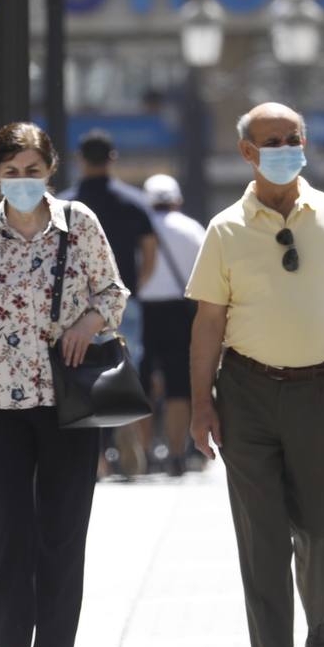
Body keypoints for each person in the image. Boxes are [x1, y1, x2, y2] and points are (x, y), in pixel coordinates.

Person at [187, 103, 324, 647]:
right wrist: (202, 403)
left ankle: (322, 609)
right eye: (271, 140)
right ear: (247, 153)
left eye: (292, 137)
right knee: (261, 529)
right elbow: (207, 324)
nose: (284, 147)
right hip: (246, 392)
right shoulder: (224, 230)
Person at [0, 121, 128, 647]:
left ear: (50, 171)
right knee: (10, 526)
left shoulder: (79, 225)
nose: (23, 181)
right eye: (11, 172)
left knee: (63, 527)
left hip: (69, 400)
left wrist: (88, 321)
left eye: (32, 171)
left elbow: (113, 291)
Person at [63, 130, 155, 476]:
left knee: (82, 372)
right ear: (112, 158)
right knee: (126, 370)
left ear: (79, 160)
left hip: (77, 305)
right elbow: (150, 253)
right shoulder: (132, 202)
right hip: (124, 299)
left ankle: (96, 460)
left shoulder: (67, 205)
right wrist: (134, 287)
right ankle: (130, 449)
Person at [139, 173, 205, 475]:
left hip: (144, 311)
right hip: (181, 311)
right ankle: (177, 454)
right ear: (177, 200)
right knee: (179, 385)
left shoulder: (139, 227)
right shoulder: (192, 229)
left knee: (141, 384)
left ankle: (146, 454)